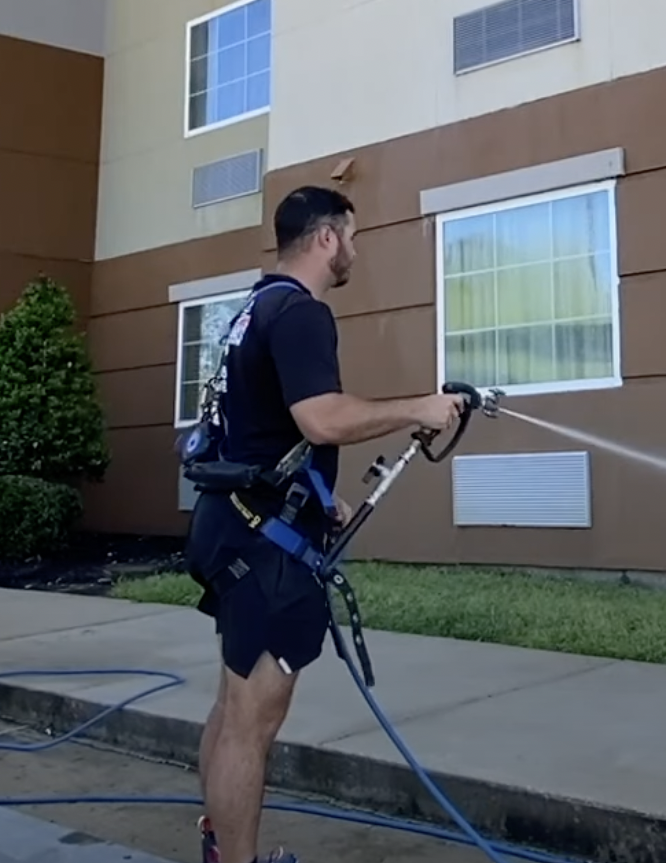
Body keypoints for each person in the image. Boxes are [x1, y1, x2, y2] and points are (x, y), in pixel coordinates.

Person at [188, 185, 465, 863]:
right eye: (352, 236)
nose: (355, 250)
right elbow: (321, 417)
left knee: (231, 707)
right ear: (324, 239)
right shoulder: (303, 314)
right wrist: (420, 410)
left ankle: (220, 848)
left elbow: (256, 429)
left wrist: (317, 496)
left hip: (230, 526)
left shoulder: (250, 310)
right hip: (266, 551)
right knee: (251, 723)